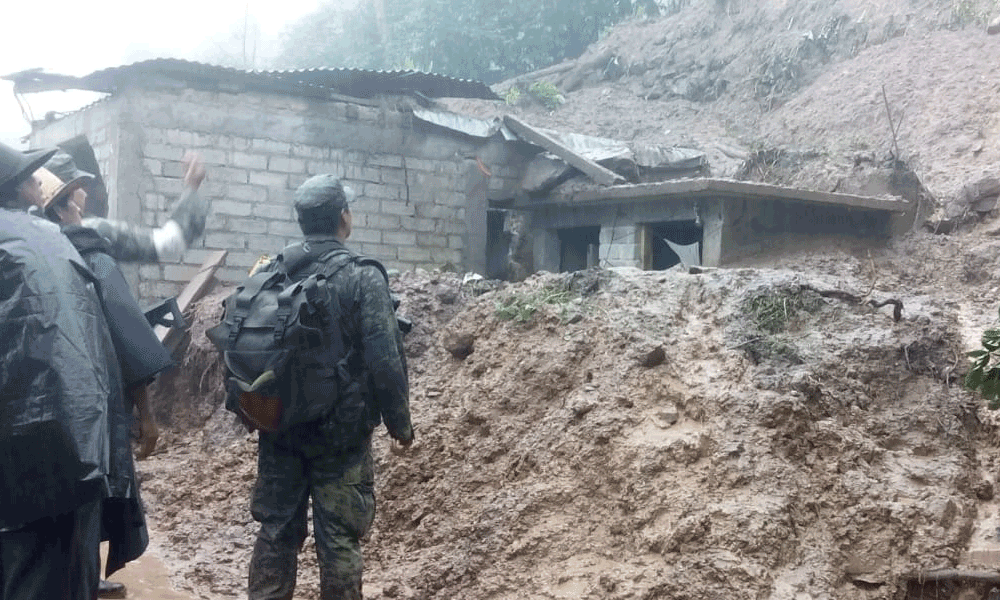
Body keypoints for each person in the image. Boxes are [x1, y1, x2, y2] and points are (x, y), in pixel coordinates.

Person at [246, 174, 414, 600]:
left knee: (276, 531)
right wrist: (400, 423)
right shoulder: (363, 277)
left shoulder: (271, 271)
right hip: (341, 435)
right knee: (338, 537)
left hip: (280, 426)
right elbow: (385, 359)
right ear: (344, 218)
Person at [37, 160, 183, 599]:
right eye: (77, 189)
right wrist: (147, 416)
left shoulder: (24, 251)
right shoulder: (88, 252)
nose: (85, 193)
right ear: (63, 205)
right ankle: (83, 580)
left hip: (31, 402)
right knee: (91, 490)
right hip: (91, 404)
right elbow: (125, 340)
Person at [0, 141, 123, 600]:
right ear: (24, 189)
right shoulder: (56, 241)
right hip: (74, 449)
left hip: (23, 454)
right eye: (35, 177)